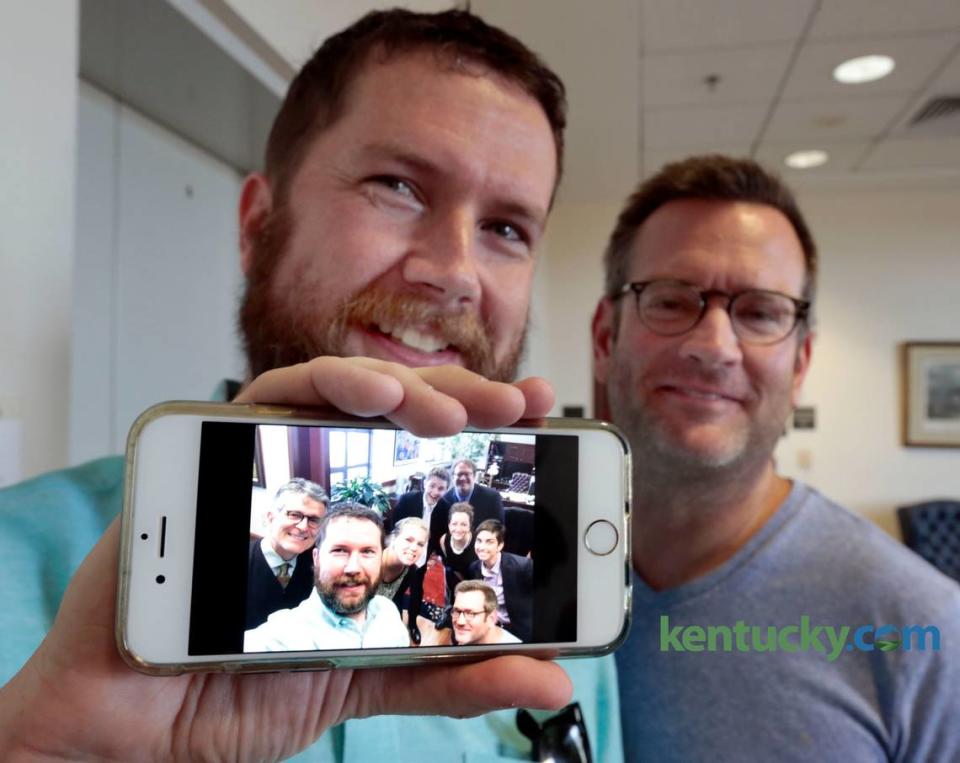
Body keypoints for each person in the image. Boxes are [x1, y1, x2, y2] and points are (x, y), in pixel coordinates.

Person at [0, 10, 623, 761]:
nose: (456, 272)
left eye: (507, 228)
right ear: (259, 227)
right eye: (398, 185)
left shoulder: (566, 633)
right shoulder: (18, 570)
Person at [591, 154, 960, 761]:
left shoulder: (920, 627)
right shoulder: (521, 581)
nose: (714, 346)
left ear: (802, 363)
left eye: (761, 312)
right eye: (671, 300)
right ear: (606, 337)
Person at [246, 503, 408, 651]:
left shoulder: (387, 610)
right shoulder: (283, 636)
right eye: (340, 550)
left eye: (367, 552)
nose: (354, 568)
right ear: (316, 558)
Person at [246, 478, 329, 629]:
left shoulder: (318, 565)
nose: (303, 526)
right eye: (294, 514)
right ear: (270, 518)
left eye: (313, 520)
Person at [468, 519, 533, 642]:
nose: (482, 547)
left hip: (518, 629)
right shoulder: (474, 568)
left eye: (489, 542)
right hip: (491, 626)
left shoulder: (522, 566)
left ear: (500, 546)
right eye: (479, 541)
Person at [390, 466, 450, 560]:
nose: (435, 492)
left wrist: (435, 553)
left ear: (446, 490)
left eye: (441, 488)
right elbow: (395, 528)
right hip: (404, 551)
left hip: (426, 556)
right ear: (425, 483)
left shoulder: (445, 508)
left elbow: (441, 536)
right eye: (432, 486)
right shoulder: (407, 500)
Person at [451, 580, 521, 646]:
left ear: (491, 618)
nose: (460, 622)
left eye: (470, 613)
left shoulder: (514, 654)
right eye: (457, 611)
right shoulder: (467, 638)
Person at [443, 458, 504, 527]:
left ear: (474, 476)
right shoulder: (444, 500)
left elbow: (498, 527)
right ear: (453, 477)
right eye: (459, 474)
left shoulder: (492, 498)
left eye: (467, 474)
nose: (463, 478)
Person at [439, 501, 478, 586]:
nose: (458, 529)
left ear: (470, 526)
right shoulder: (444, 540)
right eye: (454, 524)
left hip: (476, 586)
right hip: (456, 584)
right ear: (449, 525)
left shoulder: (478, 542)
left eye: (463, 524)